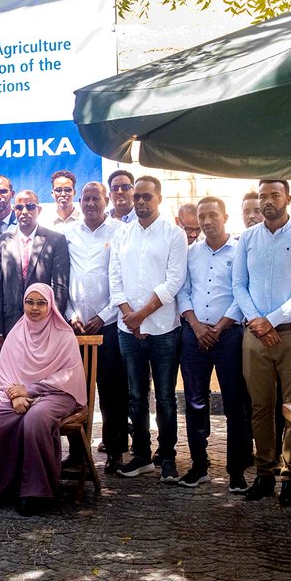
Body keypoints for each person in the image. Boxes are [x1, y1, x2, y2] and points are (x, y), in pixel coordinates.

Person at [232, 179, 291, 507]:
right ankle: (265, 471)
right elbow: (239, 284)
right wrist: (259, 321)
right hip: (256, 335)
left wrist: (272, 319)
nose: (267, 201)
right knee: (259, 406)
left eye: (274, 195)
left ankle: (290, 475)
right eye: (262, 196)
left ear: (288, 197)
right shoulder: (248, 239)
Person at [0, 283, 86, 514]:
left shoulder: (64, 335)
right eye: (30, 302)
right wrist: (13, 396)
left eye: (41, 303)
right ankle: (3, 487)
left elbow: (69, 375)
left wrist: (30, 390)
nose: (34, 308)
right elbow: (6, 372)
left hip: (57, 394)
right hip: (17, 393)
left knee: (35, 418)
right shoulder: (17, 333)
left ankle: (36, 492)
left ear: (50, 305)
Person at [109, 175, 188, 483]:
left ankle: (167, 457)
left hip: (164, 329)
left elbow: (174, 280)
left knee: (166, 397)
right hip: (127, 329)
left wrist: (141, 315)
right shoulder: (122, 234)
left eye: (146, 197)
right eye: (136, 196)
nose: (140, 201)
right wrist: (130, 316)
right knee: (135, 396)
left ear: (159, 198)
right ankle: (141, 455)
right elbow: (114, 278)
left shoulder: (173, 234)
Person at [177, 196, 252, 491]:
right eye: (202, 216)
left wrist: (220, 327)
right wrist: (196, 326)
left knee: (235, 404)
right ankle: (199, 466)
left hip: (229, 336)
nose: (207, 222)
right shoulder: (190, 253)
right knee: (195, 402)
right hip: (194, 335)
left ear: (225, 216)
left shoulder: (239, 252)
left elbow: (242, 293)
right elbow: (183, 292)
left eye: (212, 215)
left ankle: (236, 471)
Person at [63, 182, 128, 475]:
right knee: (78, 394)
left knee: (113, 392)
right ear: (80, 201)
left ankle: (115, 452)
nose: (90, 204)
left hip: (110, 325)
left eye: (96, 198)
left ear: (106, 200)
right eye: (86, 198)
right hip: (76, 328)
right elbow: (63, 279)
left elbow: (124, 280)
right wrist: (71, 314)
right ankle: (78, 454)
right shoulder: (69, 234)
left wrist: (104, 315)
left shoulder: (120, 232)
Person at [0, 189, 70, 336]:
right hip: (10, 325)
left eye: (30, 207)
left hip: (44, 324)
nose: (24, 211)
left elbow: (59, 287)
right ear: (14, 210)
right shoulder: (0, 242)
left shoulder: (56, 240)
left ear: (39, 209)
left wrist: (52, 322)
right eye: (19, 207)